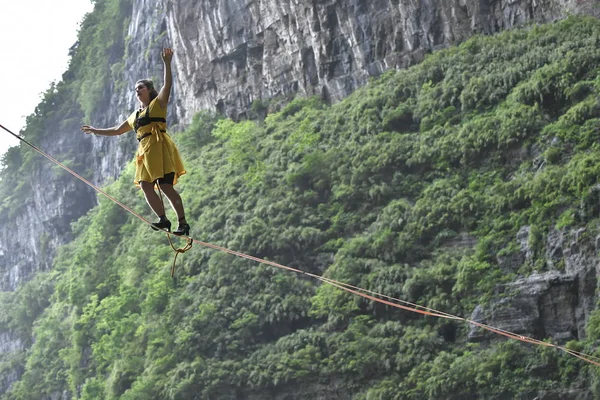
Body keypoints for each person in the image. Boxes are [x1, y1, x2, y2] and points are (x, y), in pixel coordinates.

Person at [81, 48, 190, 236]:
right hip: (145, 151)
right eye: (135, 89)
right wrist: (95, 130)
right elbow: (117, 130)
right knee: (145, 185)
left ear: (149, 90)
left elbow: (168, 86)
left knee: (165, 186)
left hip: (159, 147)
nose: (137, 91)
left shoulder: (158, 105)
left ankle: (182, 223)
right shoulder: (135, 115)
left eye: (141, 87)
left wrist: (167, 64)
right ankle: (163, 219)